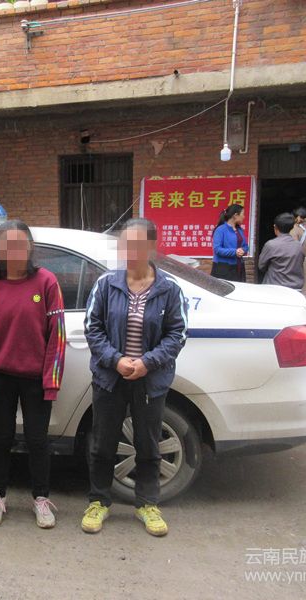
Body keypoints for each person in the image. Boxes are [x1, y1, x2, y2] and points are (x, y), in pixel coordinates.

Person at [81, 218, 188, 537]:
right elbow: (92, 328)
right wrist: (116, 360)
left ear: (152, 247)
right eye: (125, 244)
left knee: (148, 443)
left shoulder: (169, 289)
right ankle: (98, 501)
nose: (130, 250)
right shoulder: (106, 284)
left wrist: (146, 363)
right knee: (103, 442)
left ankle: (147, 504)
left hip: (149, 380)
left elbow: (177, 334)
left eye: (137, 244)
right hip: (110, 378)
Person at [0, 220, 66, 529]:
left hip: (36, 378)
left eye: (19, 244)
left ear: (30, 247)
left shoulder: (47, 282)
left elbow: (57, 335)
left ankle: (41, 498)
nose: (13, 250)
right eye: (7, 244)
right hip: (0, 377)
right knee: (2, 439)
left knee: (38, 440)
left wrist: (51, 381)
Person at [258, 213, 305, 289]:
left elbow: (261, 266)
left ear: (275, 227)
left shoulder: (271, 245)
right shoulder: (299, 245)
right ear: (292, 228)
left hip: (275, 287)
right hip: (295, 287)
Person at [211, 204, 249, 282]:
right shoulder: (220, 230)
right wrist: (235, 252)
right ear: (235, 215)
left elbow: (245, 246)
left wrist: (243, 250)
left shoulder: (239, 230)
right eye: (242, 214)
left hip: (239, 266)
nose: (244, 217)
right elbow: (217, 249)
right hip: (223, 268)